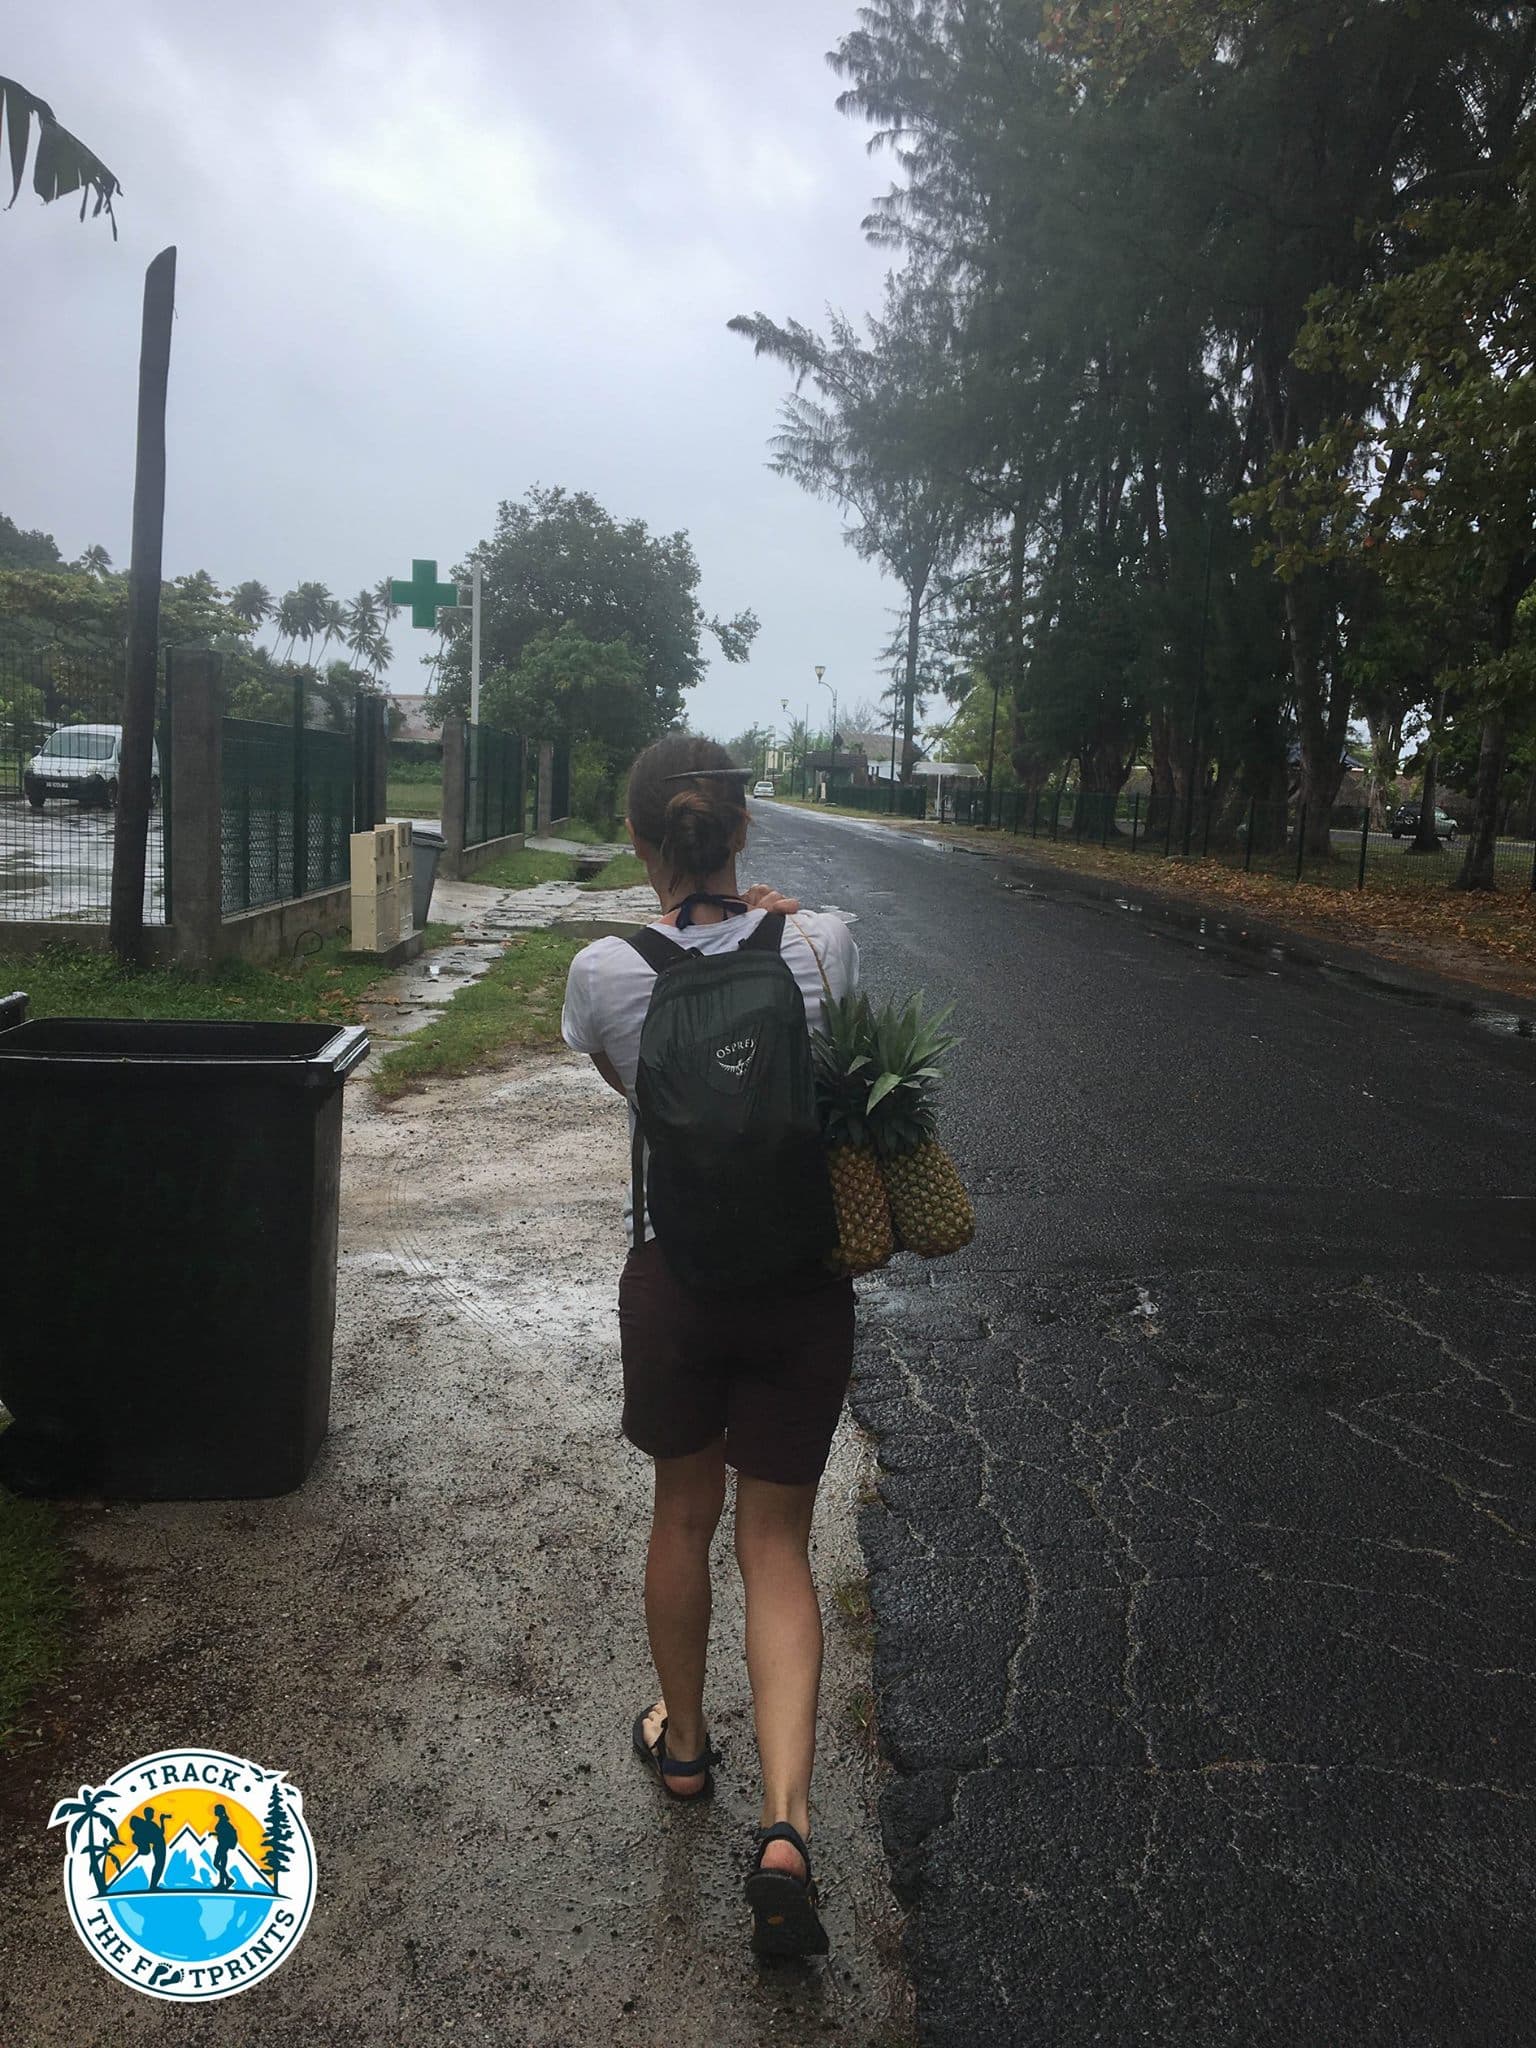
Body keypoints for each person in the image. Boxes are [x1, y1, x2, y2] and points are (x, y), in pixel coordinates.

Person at [560, 733, 859, 1956]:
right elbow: (835, 1074)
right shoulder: (823, 944)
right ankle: (787, 1825)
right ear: (742, 829)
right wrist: (777, 928)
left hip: (676, 1281)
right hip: (803, 1287)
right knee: (776, 1543)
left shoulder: (603, 970)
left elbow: (632, 1086)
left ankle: (684, 1746)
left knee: (681, 1515)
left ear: (642, 840)